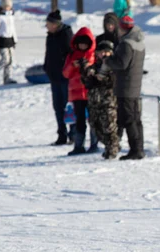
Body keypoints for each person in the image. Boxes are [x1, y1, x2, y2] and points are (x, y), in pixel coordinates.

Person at [102, 16, 146, 160]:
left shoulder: (127, 43)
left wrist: (108, 60)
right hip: (133, 85)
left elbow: (122, 64)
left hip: (126, 86)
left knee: (129, 119)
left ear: (122, 29)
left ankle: (136, 150)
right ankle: (138, 148)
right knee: (135, 119)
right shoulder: (138, 41)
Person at [80, 41, 120, 159]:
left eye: (106, 52)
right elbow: (87, 81)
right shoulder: (94, 67)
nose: (104, 54)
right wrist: (84, 69)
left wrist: (102, 78)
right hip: (94, 102)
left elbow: (111, 81)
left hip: (108, 102)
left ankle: (112, 149)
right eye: (101, 52)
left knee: (109, 126)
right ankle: (110, 146)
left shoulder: (113, 67)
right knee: (96, 127)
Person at [63, 27, 96, 156]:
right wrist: (73, 65)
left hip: (90, 92)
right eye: (81, 43)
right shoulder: (71, 56)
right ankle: (79, 145)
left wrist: (88, 66)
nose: (83, 46)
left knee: (93, 120)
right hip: (76, 94)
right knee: (79, 121)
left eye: (85, 43)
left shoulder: (93, 56)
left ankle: (94, 144)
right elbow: (65, 73)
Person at [43, 10, 74, 146]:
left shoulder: (66, 34)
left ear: (55, 24)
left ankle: (73, 135)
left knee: (69, 107)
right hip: (54, 76)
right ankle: (62, 134)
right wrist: (47, 67)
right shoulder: (50, 35)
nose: (46, 26)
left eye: (48, 23)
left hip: (66, 77)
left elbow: (71, 54)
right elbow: (48, 53)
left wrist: (67, 70)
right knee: (57, 106)